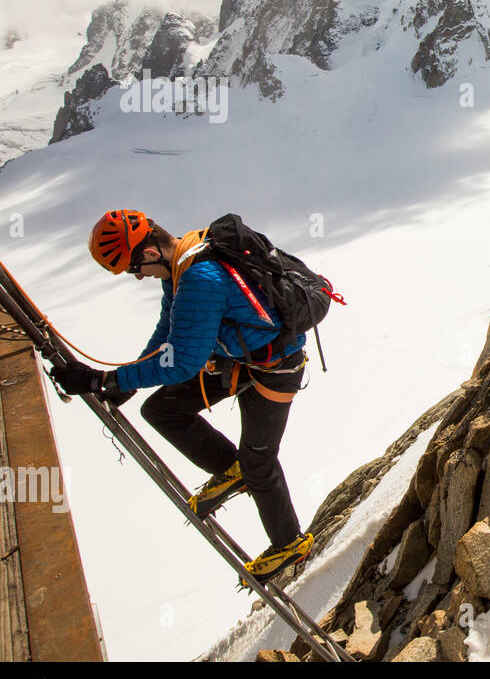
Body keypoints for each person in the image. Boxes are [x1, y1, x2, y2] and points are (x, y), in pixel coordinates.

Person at [51, 209, 314, 583]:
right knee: (163, 409)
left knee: (259, 462)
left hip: (276, 368)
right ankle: (230, 468)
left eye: (134, 268)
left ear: (150, 252)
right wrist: (123, 382)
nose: (138, 275)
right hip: (237, 359)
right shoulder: (183, 262)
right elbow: (167, 333)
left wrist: (104, 380)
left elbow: (182, 364)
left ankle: (289, 543)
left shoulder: (198, 277)